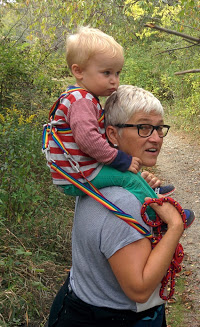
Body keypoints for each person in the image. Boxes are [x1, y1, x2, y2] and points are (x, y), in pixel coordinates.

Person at [44, 85, 193, 327]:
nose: (156, 138)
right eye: (144, 128)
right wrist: (176, 226)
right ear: (111, 134)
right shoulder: (122, 201)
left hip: (78, 316)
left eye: (160, 128)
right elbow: (139, 289)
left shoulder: (94, 179)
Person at [43, 26, 175, 218]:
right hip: (79, 174)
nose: (114, 81)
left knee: (128, 173)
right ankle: (158, 215)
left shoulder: (80, 98)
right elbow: (88, 139)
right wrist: (120, 159)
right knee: (127, 175)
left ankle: (149, 192)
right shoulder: (81, 101)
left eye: (117, 73)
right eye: (107, 73)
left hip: (79, 171)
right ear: (78, 71)